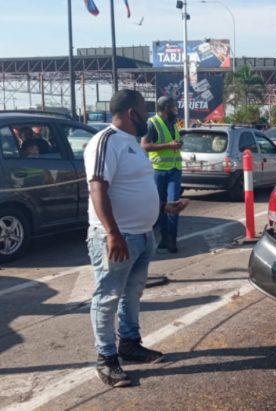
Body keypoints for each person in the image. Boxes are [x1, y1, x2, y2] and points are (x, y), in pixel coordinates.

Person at [84, 90, 187, 387]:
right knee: (107, 297)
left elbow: (136, 186)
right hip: (118, 237)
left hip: (142, 235)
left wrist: (164, 206)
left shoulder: (132, 143)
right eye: (144, 110)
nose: (149, 115)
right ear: (132, 113)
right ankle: (106, 359)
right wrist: (113, 234)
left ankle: (129, 344)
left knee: (132, 294)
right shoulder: (106, 141)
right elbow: (98, 188)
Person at [141, 96, 184, 253]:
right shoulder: (152, 123)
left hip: (175, 169)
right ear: (166, 108)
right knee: (160, 205)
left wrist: (178, 144)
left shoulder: (173, 123)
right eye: (173, 107)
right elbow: (145, 145)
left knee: (173, 204)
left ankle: (172, 239)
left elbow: (174, 142)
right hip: (158, 169)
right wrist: (168, 145)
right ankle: (164, 237)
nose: (175, 110)